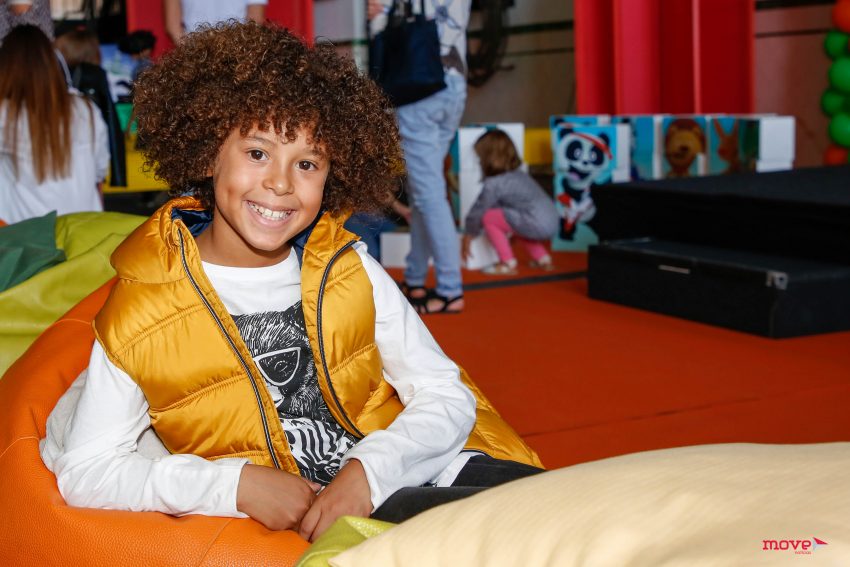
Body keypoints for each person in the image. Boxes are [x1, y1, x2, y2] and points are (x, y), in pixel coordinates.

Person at [40, 22, 543, 542]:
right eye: (257, 153)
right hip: (330, 529)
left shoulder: (347, 268)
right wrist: (232, 485)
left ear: (332, 175)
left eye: (306, 163)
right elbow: (87, 469)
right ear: (209, 152)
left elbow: (444, 392)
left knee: (573, 511)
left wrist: (369, 472)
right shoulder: (143, 309)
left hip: (418, 476)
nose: (280, 183)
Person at [368, 0, 471, 314]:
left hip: (418, 84)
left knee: (428, 195)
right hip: (454, 82)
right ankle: (415, 277)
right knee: (427, 188)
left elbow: (379, 17)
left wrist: (378, 16)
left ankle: (450, 290)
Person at [0, 25, 109, 225]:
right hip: (84, 231)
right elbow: (98, 177)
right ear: (52, 63)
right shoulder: (85, 109)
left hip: (27, 236)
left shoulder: (5, 114)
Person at [462, 129, 559, 275]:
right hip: (552, 221)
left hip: (535, 222)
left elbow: (479, 209)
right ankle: (543, 258)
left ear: (488, 158)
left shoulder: (494, 183)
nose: (480, 162)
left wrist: (469, 233)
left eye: (480, 158)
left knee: (488, 216)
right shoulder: (519, 175)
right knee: (514, 221)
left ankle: (507, 262)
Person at [54, 26, 127, 188]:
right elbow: (111, 120)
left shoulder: (52, 74)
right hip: (88, 150)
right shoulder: (95, 75)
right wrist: (118, 174)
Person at [163, 0, 266, 43]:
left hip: (195, 51)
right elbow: (254, 22)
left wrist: (195, 53)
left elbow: (173, 27)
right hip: (236, 51)